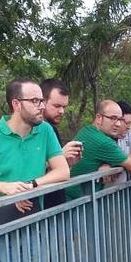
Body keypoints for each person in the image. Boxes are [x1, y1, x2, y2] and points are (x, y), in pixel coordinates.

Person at [0, 78, 70, 230]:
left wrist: (30, 185)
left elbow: (63, 171)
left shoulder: (45, 131)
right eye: (35, 101)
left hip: (31, 223)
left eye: (42, 100)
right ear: (16, 104)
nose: (41, 106)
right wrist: (5, 187)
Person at [65, 100, 131, 200]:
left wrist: (111, 164)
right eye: (113, 118)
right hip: (77, 203)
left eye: (119, 119)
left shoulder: (87, 130)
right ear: (99, 118)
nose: (118, 124)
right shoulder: (103, 142)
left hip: (72, 197)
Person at [39, 79, 83, 208]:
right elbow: (25, 173)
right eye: (57, 106)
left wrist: (67, 163)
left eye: (64, 107)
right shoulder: (35, 131)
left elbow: (54, 171)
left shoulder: (51, 129)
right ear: (42, 102)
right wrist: (60, 157)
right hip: (41, 208)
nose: (62, 111)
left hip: (56, 205)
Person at [102, 100, 131, 186]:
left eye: (130, 123)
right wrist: (129, 163)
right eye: (126, 123)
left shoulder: (128, 132)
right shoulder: (100, 136)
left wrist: (118, 165)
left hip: (121, 192)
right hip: (101, 195)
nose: (129, 127)